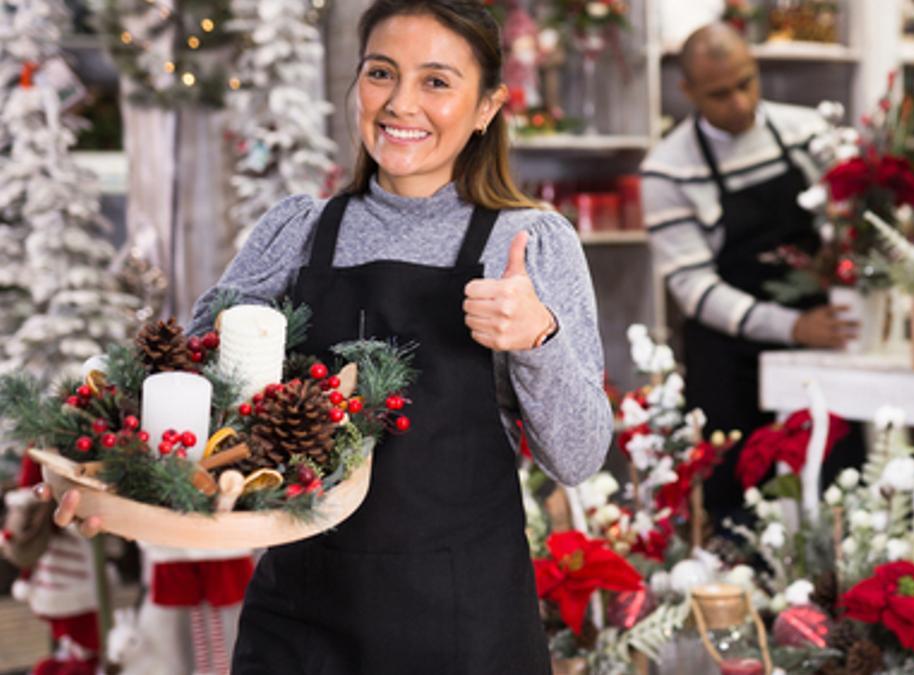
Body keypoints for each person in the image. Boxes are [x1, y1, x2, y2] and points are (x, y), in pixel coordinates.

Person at [37, 1, 613, 672]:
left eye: (436, 81)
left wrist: (539, 337)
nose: (400, 104)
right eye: (380, 73)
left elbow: (578, 456)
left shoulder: (530, 245)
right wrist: (118, 493)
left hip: (466, 625)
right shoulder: (298, 232)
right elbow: (186, 400)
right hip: (301, 624)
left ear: (487, 106)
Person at [639, 23, 857, 529]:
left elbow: (847, 221)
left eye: (747, 83)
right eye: (719, 94)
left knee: (836, 492)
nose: (739, 103)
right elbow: (694, 288)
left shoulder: (807, 131)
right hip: (731, 364)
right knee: (742, 512)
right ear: (687, 92)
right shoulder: (668, 169)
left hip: (819, 344)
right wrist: (790, 327)